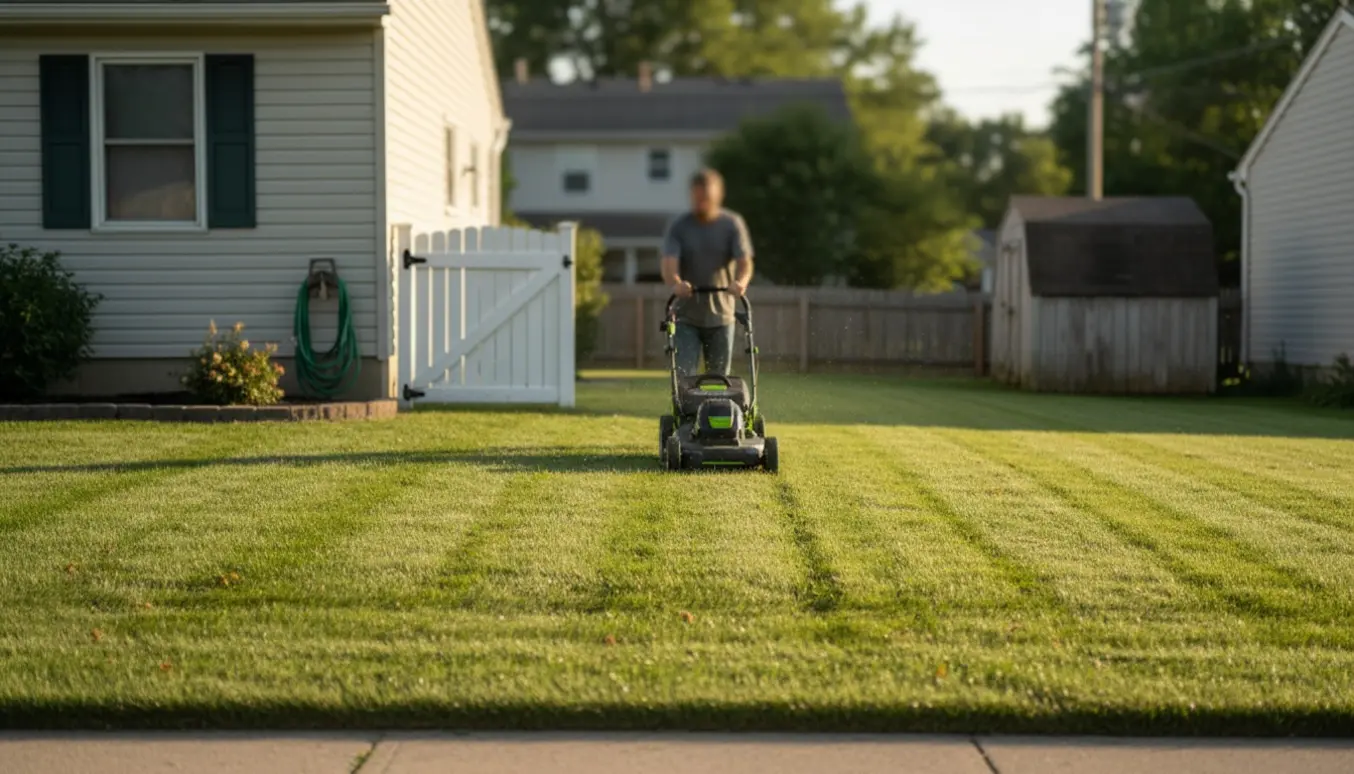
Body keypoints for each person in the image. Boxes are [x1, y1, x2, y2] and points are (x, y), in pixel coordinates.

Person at [661, 168, 755, 378]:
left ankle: (715, 410)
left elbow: (745, 262)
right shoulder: (679, 227)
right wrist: (676, 284)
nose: (701, 201)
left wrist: (740, 282)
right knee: (685, 378)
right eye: (697, 196)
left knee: (719, 381)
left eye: (707, 197)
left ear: (718, 195)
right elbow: (668, 264)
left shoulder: (732, 225)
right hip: (686, 316)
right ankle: (687, 411)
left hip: (722, 317)